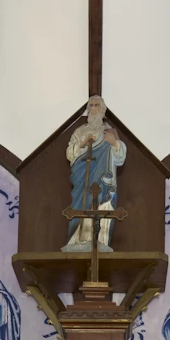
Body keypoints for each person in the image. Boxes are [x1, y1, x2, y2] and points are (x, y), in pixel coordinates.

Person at [63, 95, 127, 252]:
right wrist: (83, 143)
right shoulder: (79, 132)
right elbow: (70, 154)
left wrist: (114, 143)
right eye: (90, 106)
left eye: (96, 105)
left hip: (103, 183)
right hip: (83, 181)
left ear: (103, 110)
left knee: (101, 205)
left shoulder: (110, 132)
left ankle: (99, 240)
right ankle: (79, 239)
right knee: (82, 205)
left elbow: (120, 158)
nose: (93, 109)